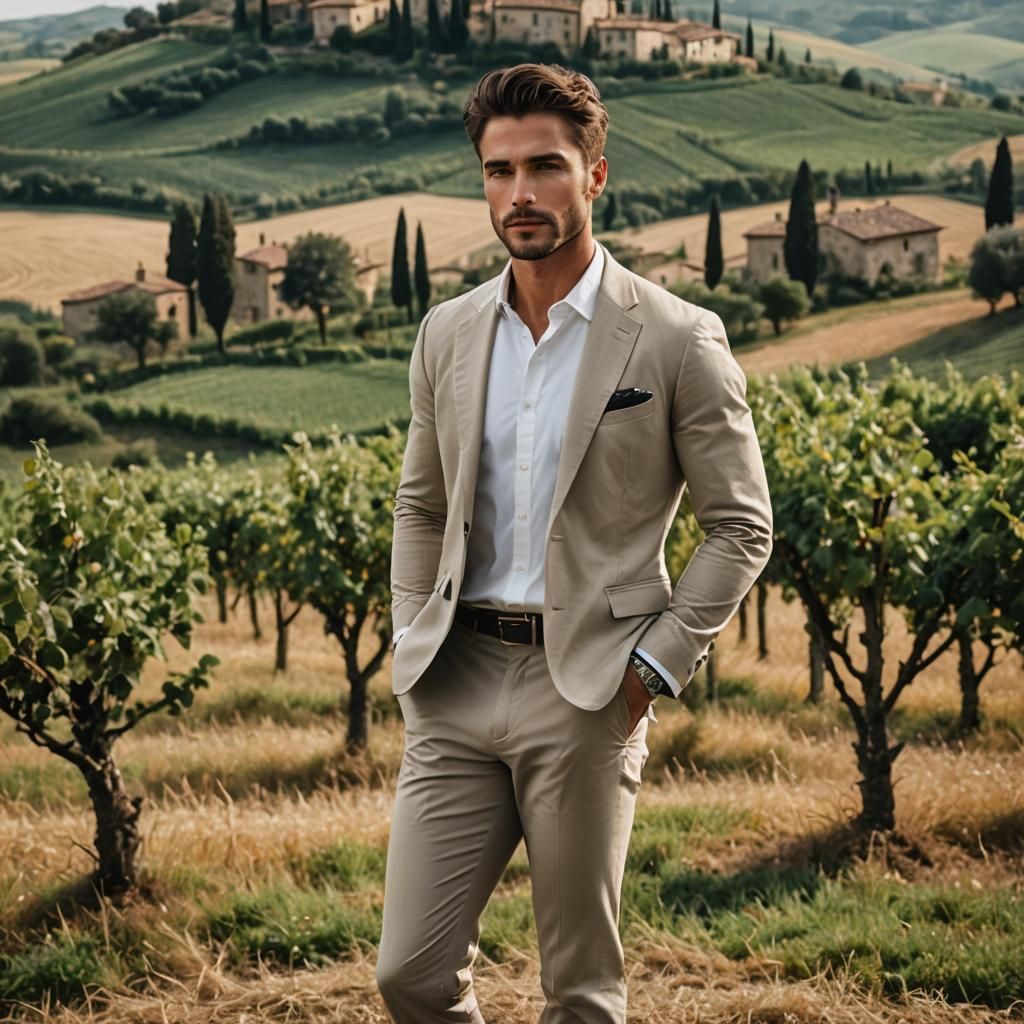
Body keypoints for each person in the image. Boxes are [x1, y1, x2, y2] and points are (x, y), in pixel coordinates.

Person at [377, 62, 773, 1023]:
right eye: (498, 170)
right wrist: (410, 634)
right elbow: (420, 507)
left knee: (581, 992)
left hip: (592, 685)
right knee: (411, 978)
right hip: (456, 678)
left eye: (545, 167)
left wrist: (653, 670)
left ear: (596, 175)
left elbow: (741, 523)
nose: (520, 194)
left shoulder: (678, 337)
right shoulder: (448, 332)